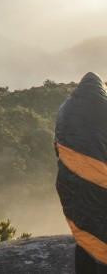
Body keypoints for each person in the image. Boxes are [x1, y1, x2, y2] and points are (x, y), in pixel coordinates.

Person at [55, 72, 107, 274]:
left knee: (85, 236)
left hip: (70, 183)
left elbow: (58, 148)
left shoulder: (64, 110)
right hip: (100, 185)